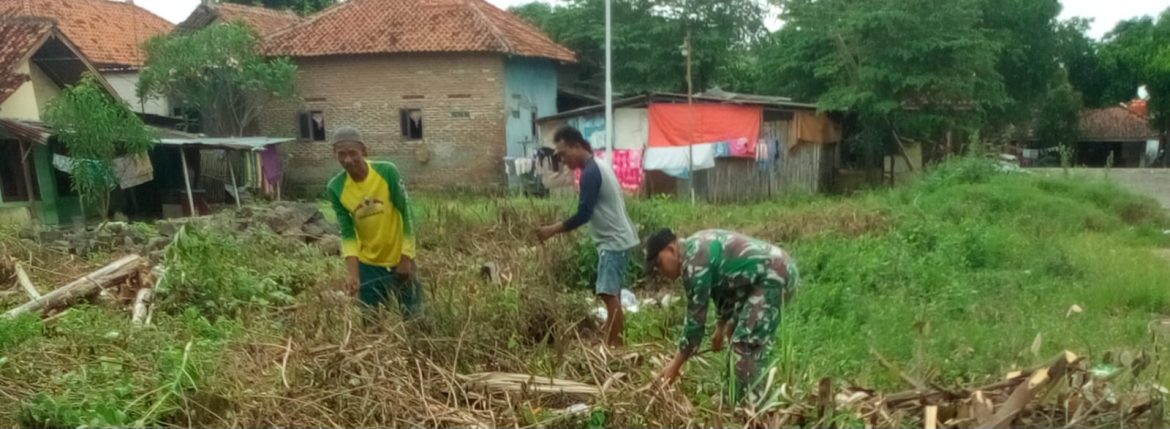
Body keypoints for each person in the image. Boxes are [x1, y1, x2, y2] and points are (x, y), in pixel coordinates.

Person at [645, 228, 799, 402]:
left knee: (747, 343)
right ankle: (735, 395)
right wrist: (721, 327)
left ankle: (752, 407)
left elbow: (695, 322)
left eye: (658, 263)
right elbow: (722, 289)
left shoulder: (695, 262)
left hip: (774, 275)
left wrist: (675, 366)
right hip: (759, 278)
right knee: (734, 334)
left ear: (671, 250)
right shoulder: (694, 248)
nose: (659, 270)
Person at [536, 126, 639, 348]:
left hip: (613, 242)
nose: (563, 161)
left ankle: (612, 347)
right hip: (618, 240)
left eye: (564, 154)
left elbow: (584, 214)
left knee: (608, 296)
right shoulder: (597, 166)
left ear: (577, 146)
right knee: (613, 296)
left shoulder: (591, 173)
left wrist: (551, 230)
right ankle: (615, 343)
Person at [326, 127, 422, 318]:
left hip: (400, 258)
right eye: (341, 154)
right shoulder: (335, 187)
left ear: (364, 151)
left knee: (413, 319)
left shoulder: (387, 171)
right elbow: (347, 233)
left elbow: (407, 214)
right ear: (334, 154)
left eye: (352, 153)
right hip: (368, 265)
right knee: (371, 321)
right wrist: (353, 274)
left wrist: (406, 258)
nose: (347, 160)